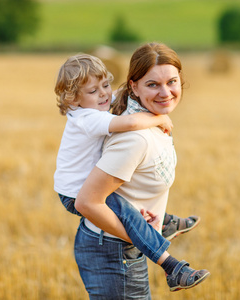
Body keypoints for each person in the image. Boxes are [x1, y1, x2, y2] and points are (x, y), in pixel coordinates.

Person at [74, 43, 210, 299]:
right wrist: (143, 237)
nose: (165, 92)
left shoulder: (149, 120)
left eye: (172, 81)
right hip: (114, 251)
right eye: (153, 84)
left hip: (120, 246)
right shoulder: (135, 139)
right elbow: (87, 202)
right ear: (134, 86)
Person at [54, 54, 200, 241]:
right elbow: (130, 123)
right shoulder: (88, 118)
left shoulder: (92, 104)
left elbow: (116, 94)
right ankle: (153, 243)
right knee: (128, 214)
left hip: (75, 186)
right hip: (74, 193)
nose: (104, 94)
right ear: (74, 99)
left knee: (129, 206)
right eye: (93, 91)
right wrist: (159, 118)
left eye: (106, 85)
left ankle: (162, 221)